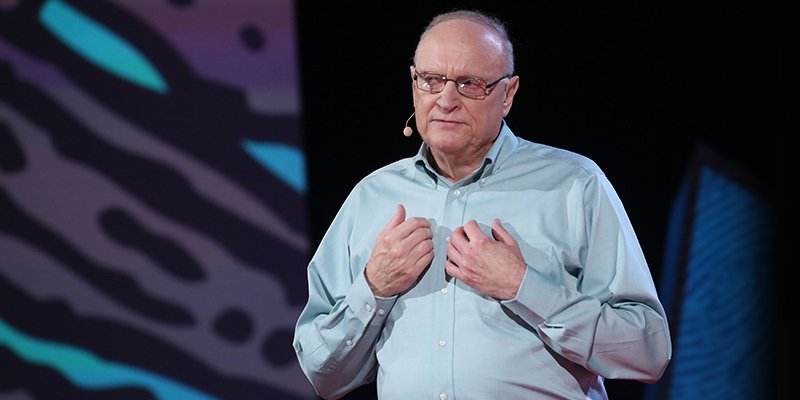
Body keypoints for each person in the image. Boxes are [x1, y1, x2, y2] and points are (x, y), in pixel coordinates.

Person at [293, 9, 671, 400]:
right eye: (431, 80)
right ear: (413, 83)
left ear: (508, 94)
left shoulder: (574, 185)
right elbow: (323, 376)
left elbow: (647, 353)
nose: (446, 100)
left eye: (470, 84)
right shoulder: (372, 197)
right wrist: (374, 288)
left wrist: (524, 287)